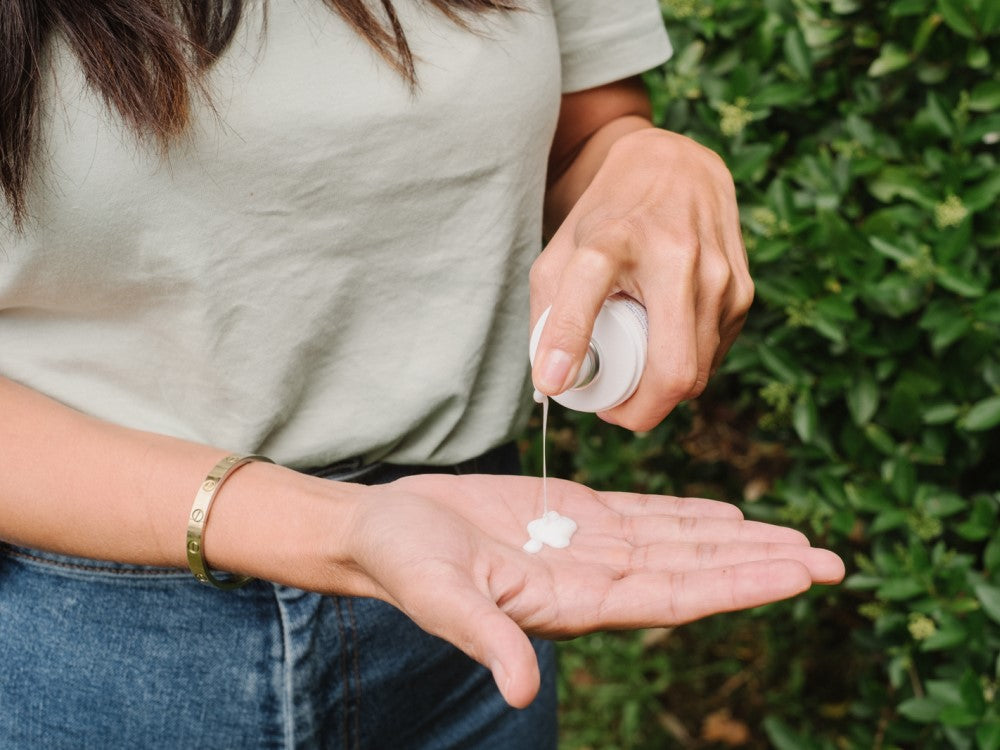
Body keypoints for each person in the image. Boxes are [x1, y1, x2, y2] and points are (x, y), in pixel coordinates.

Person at [0, 1, 844, 747]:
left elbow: (586, 132)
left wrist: (654, 163)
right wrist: (333, 528)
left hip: (476, 604)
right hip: (82, 638)